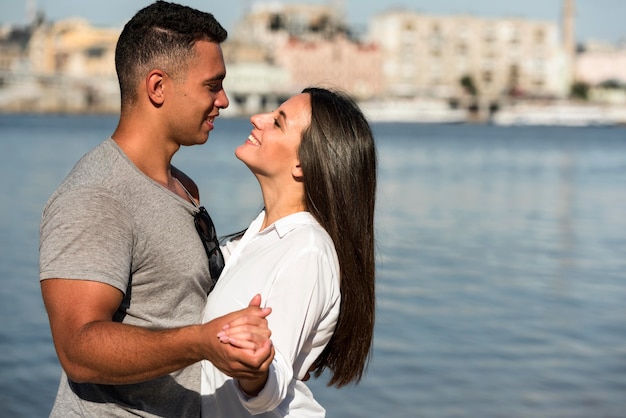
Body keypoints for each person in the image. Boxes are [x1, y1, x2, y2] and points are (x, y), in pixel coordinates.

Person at [39, 2, 273, 416]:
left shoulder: (183, 187)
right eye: (211, 85)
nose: (224, 100)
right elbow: (77, 348)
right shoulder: (97, 194)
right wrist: (201, 342)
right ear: (158, 87)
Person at [200, 87, 377, 417]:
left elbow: (273, 384)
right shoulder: (253, 240)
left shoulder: (307, 250)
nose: (257, 119)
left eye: (278, 123)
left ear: (302, 164)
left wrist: (257, 368)